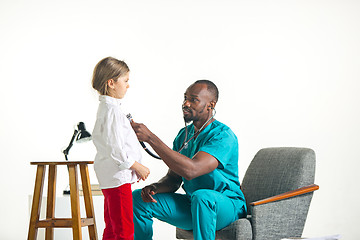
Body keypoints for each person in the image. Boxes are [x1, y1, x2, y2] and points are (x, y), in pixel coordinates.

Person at [131, 80, 247, 240]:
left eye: (194, 99)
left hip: (226, 206)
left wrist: (151, 138)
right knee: (138, 199)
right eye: (185, 98)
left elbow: (192, 170)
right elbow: (173, 179)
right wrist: (155, 187)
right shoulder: (183, 135)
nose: (186, 103)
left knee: (203, 197)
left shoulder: (223, 136)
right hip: (194, 204)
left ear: (210, 105)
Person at [91, 56, 150, 240]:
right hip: (118, 179)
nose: (128, 85)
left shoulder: (106, 109)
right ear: (111, 83)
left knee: (112, 228)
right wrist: (136, 166)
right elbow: (115, 148)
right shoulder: (112, 111)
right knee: (124, 230)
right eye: (125, 81)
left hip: (111, 178)